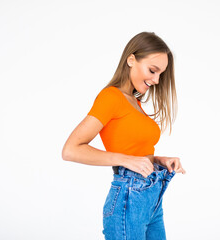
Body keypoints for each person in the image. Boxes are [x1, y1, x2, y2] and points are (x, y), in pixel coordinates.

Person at [62, 31, 186, 240]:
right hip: (129, 198)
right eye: (152, 70)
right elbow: (70, 150)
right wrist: (125, 160)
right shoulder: (111, 97)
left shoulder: (134, 102)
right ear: (131, 60)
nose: (156, 80)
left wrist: (158, 160)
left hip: (152, 197)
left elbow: (131, 149)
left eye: (160, 74)